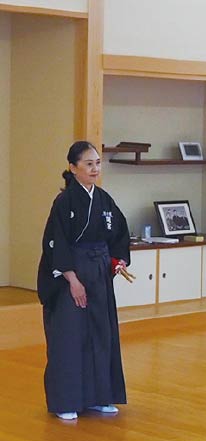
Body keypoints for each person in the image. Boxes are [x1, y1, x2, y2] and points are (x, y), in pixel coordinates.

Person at [37, 141, 131, 421]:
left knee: (101, 333)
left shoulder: (103, 199)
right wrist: (71, 279)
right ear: (73, 167)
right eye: (88, 164)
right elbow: (55, 242)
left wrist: (118, 260)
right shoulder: (64, 202)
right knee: (70, 336)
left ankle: (100, 397)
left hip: (99, 272)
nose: (95, 169)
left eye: (98, 163)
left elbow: (119, 233)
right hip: (72, 274)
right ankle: (66, 401)